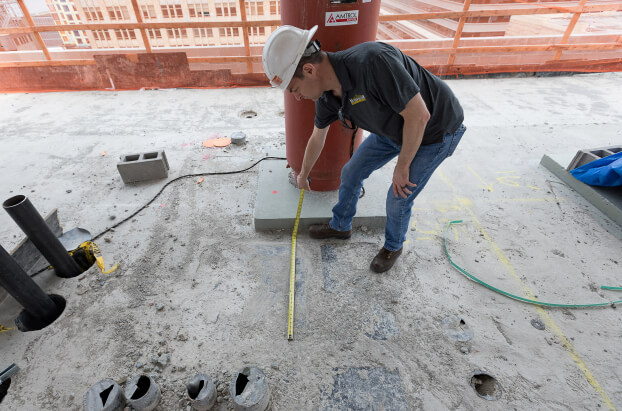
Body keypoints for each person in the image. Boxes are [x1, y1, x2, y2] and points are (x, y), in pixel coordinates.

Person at [262, 25, 466, 273]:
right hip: (393, 130)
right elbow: (317, 137)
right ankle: (341, 226)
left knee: (399, 196)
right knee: (351, 172)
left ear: (309, 69)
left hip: (435, 130)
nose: (296, 97)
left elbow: (419, 115)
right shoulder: (326, 96)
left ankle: (393, 246)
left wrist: (402, 167)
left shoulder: (373, 61)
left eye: (294, 89)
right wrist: (304, 173)